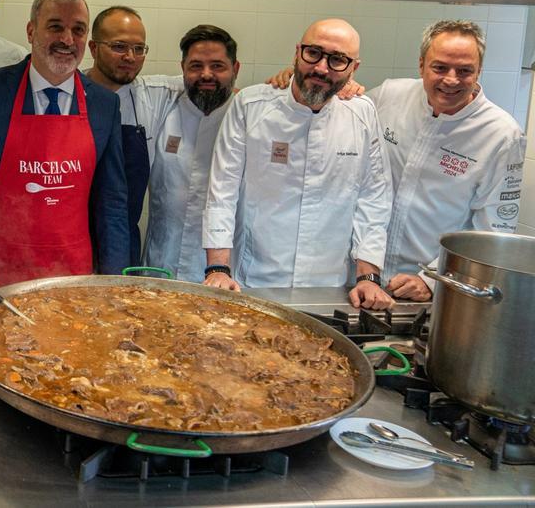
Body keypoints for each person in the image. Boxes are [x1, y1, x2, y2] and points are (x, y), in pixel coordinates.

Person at [202, 18, 394, 310]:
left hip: (329, 287)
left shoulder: (362, 114)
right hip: (256, 280)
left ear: (354, 68)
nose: (321, 67)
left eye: (337, 60)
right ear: (297, 52)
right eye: (313, 53)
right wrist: (218, 269)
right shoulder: (251, 107)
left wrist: (368, 276)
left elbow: (373, 199)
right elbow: (222, 191)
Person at [0, 0, 128, 288]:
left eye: (78, 30)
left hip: (73, 277)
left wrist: (117, 284)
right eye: (56, 27)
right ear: (31, 30)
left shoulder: (104, 105)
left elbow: (111, 204)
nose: (67, 40)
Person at [367, 20, 527, 301]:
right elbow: (339, 115)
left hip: (432, 288)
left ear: (479, 71)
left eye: (464, 71)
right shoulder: (390, 95)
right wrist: (290, 85)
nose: (451, 80)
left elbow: (490, 232)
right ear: (421, 65)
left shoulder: (502, 134)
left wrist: (432, 279)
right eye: (439, 67)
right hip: (362, 275)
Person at [83, 6, 180, 266]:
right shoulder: (69, 93)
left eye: (139, 49)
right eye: (119, 47)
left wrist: (282, 80)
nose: (130, 57)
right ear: (93, 48)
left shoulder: (155, 94)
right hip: (74, 240)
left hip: (124, 241)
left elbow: (208, 80)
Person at [143, 25, 240, 282]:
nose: (206, 74)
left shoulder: (247, 116)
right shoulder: (163, 110)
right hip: (161, 262)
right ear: (183, 68)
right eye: (196, 66)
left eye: (217, 66)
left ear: (235, 69)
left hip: (223, 272)